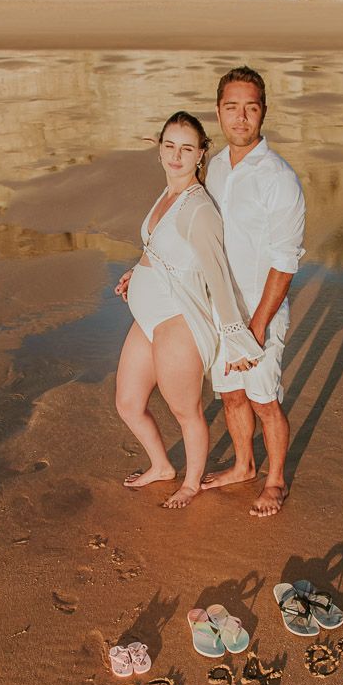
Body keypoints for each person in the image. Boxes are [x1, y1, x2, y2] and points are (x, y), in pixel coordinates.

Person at [113, 111, 265, 509]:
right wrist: (136, 272)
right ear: (159, 149)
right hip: (147, 318)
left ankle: (192, 482)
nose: (176, 156)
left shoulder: (199, 210)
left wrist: (236, 338)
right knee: (128, 403)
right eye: (169, 146)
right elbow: (162, 249)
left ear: (201, 154)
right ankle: (162, 466)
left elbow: (218, 277)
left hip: (177, 322)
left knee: (186, 412)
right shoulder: (168, 194)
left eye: (186, 148)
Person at [200, 67, 308, 518]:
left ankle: (275, 479)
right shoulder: (215, 167)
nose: (241, 118)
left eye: (250, 108)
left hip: (261, 310)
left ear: (263, 112)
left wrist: (256, 328)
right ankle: (244, 465)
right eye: (232, 108)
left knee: (264, 400)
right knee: (230, 395)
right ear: (219, 112)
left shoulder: (279, 178)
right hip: (220, 308)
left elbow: (285, 262)